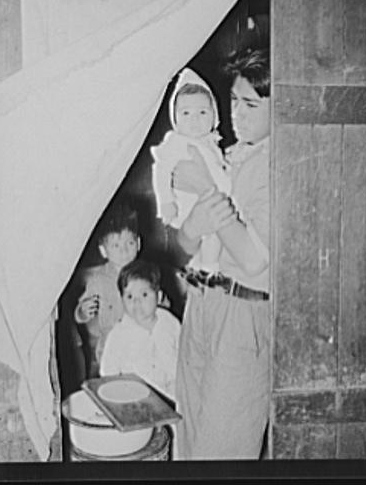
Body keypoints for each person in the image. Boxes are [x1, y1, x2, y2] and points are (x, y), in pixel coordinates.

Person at [172, 47, 271, 460]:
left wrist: (207, 191)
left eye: (250, 104)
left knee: (222, 452)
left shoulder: (278, 161)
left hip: (242, 317)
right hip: (203, 303)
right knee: (189, 436)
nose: (238, 114)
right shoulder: (228, 154)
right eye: (233, 101)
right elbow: (185, 242)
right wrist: (193, 226)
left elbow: (253, 261)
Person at [150, 68, 230, 274]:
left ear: (215, 115)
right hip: (187, 203)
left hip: (209, 199)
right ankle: (209, 269)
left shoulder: (211, 143)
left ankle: (200, 265)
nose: (194, 119)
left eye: (202, 112)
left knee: (212, 236)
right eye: (186, 113)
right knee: (214, 233)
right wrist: (165, 201)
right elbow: (161, 169)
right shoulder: (176, 142)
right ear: (175, 118)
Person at [74, 202, 141, 378]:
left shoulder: (146, 273)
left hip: (141, 346)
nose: (124, 251)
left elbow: (164, 305)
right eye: (116, 246)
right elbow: (79, 312)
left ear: (139, 243)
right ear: (104, 250)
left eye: (130, 243)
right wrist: (83, 311)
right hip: (108, 349)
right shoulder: (98, 280)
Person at [100, 259, 181, 401]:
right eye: (130, 296)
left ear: (159, 296)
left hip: (173, 395)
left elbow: (184, 354)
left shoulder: (170, 322)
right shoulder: (119, 334)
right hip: (135, 399)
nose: (136, 302)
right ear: (121, 299)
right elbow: (108, 373)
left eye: (144, 295)